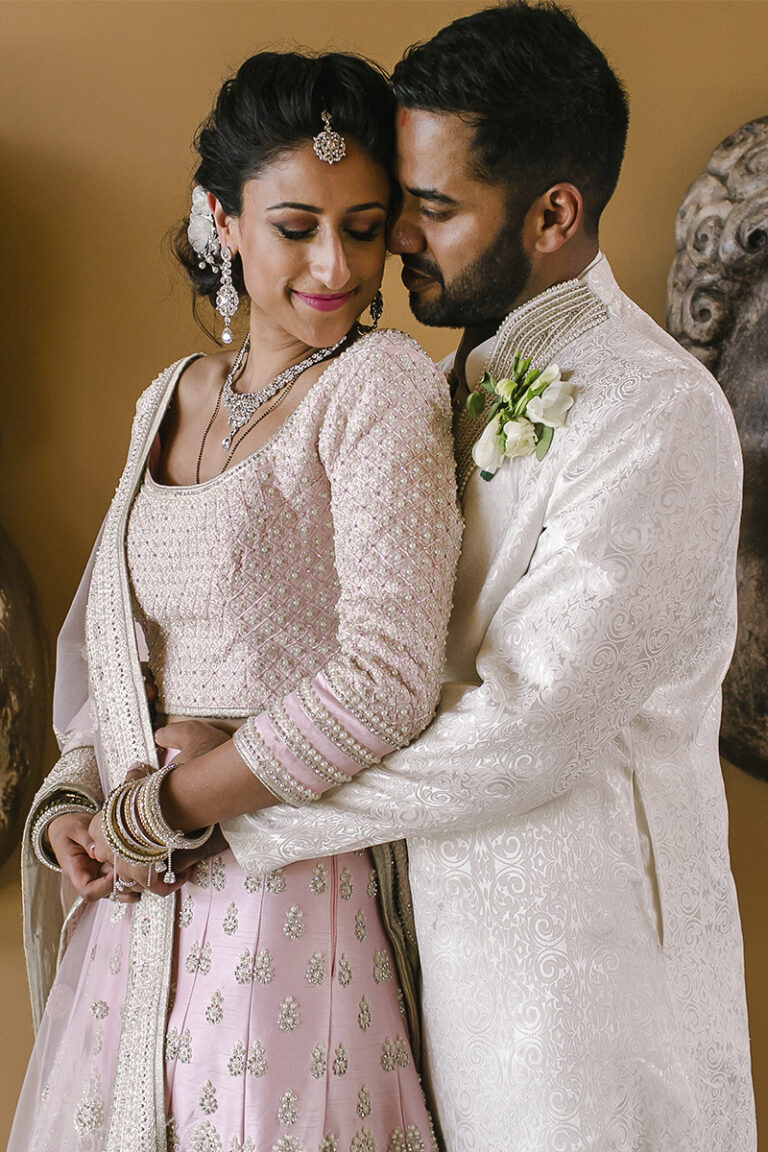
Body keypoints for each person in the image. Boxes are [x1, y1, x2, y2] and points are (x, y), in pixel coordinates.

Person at [210, 5, 758, 1151]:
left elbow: (530, 724)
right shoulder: (426, 381)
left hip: (583, 1005)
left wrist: (238, 815)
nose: (395, 236)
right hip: (408, 973)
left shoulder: (654, 413)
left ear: (555, 212)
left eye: (437, 208)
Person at [13, 50, 461, 1152]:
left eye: (364, 228)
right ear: (220, 218)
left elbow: (388, 679)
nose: (336, 265)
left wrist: (174, 806)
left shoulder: (380, 388)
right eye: (296, 225)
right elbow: (120, 650)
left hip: (282, 892)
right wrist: (76, 804)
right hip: (134, 897)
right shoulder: (166, 397)